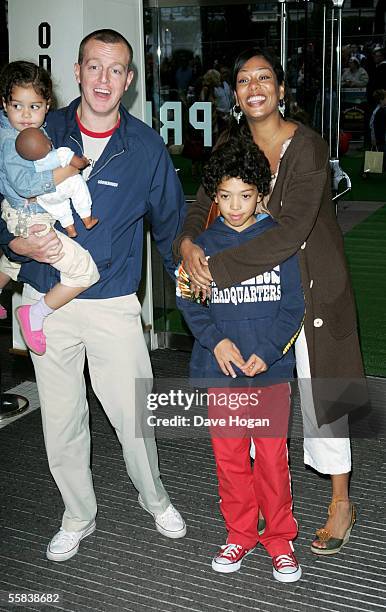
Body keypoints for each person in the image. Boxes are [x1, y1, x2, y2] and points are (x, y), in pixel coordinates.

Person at [0, 29, 187, 561]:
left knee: (133, 416)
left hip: (111, 303)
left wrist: (200, 307)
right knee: (61, 422)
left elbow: (171, 229)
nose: (104, 79)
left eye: (116, 69)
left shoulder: (146, 147)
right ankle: (77, 515)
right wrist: (11, 243)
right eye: (93, 67)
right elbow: (1, 198)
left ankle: (155, 499)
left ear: (128, 81)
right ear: (77, 72)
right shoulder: (36, 128)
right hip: (43, 303)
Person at [175, 47, 366, 555]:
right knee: (252, 400)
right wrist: (189, 244)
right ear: (235, 95)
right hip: (255, 296)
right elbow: (201, 202)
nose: (254, 85)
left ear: (281, 91)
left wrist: (213, 271)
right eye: (243, 79)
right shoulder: (231, 144)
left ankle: (341, 502)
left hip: (313, 288)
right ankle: (252, 512)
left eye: (265, 77)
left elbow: (290, 233)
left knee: (328, 397)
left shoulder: (307, 146)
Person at [177, 137, 304, 582]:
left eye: (245, 196)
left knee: (272, 458)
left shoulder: (277, 240)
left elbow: (294, 305)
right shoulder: (201, 245)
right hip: (221, 370)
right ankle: (240, 533)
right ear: (214, 195)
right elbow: (189, 301)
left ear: (261, 194)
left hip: (268, 373)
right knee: (230, 458)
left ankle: (279, 538)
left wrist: (267, 354)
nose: (235, 206)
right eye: (225, 196)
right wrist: (217, 342)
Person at [0, 61, 100, 355]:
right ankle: (34, 315)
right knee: (84, 272)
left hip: (21, 214)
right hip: (28, 216)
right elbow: (27, 185)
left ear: (47, 105)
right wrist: (68, 172)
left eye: (35, 106)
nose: (26, 115)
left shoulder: (17, 130)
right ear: (5, 104)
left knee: (17, 258)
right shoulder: (12, 142)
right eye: (18, 106)